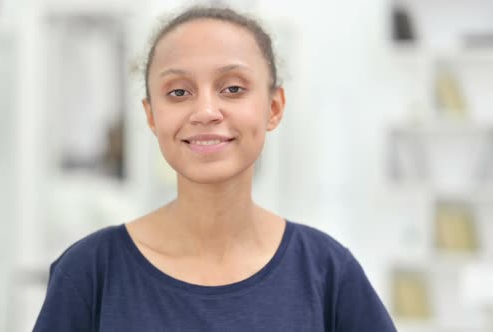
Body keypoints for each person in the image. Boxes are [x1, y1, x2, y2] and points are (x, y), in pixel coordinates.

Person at [33, 6, 397, 332]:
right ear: (151, 116)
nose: (206, 111)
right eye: (178, 92)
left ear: (273, 107)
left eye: (233, 88)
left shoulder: (327, 271)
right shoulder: (90, 271)